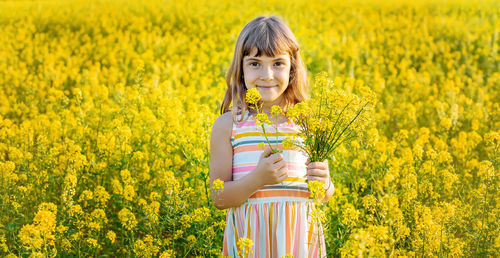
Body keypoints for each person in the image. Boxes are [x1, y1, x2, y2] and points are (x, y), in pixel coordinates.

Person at [210, 15, 334, 257]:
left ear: (292, 69)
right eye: (255, 64)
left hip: (298, 242)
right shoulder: (229, 125)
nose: (267, 74)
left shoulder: (309, 123)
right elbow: (218, 197)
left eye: (278, 63)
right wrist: (257, 179)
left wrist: (325, 183)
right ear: (241, 69)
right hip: (250, 242)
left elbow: (323, 194)